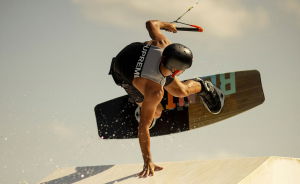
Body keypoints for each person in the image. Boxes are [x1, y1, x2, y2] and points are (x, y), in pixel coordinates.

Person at [109, 20, 224, 177]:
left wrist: (167, 25)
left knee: (181, 90)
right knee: (156, 112)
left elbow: (151, 23)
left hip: (145, 58)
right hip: (123, 73)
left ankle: (203, 86)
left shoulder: (162, 44)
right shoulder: (154, 92)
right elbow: (142, 127)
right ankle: (142, 106)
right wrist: (147, 160)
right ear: (177, 71)